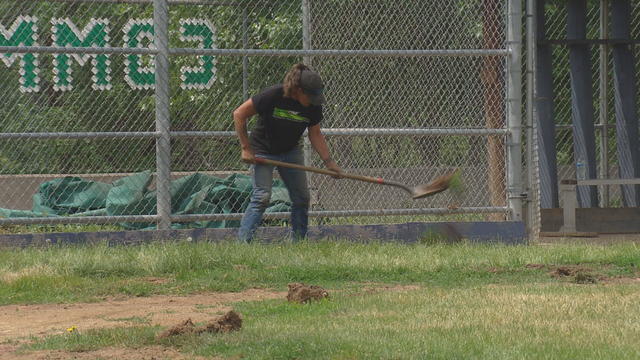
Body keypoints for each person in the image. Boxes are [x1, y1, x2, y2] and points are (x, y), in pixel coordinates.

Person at [233, 63, 341, 243]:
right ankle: (243, 243)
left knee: (301, 197)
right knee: (262, 196)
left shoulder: (313, 105)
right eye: (311, 96)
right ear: (298, 90)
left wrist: (329, 162)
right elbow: (239, 114)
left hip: (290, 150)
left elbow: (315, 133)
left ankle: (298, 242)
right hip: (263, 150)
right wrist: (246, 148)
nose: (314, 100)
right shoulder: (274, 95)